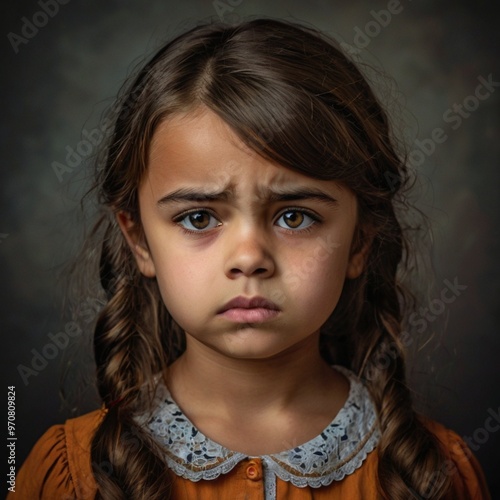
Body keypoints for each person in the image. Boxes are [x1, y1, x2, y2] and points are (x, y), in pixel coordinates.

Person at [11, 18, 490, 499]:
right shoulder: (70, 476)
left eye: (296, 217)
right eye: (199, 218)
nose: (249, 258)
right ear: (138, 241)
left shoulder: (433, 474)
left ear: (361, 240)